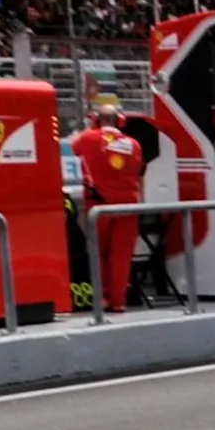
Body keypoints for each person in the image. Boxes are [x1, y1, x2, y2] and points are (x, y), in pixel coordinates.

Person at [68, 93, 146, 311]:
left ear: (95, 121)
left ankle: (103, 298)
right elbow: (137, 171)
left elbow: (75, 150)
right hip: (129, 206)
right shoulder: (134, 144)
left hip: (99, 206)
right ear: (120, 122)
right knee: (121, 256)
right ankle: (119, 302)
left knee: (99, 252)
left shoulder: (88, 138)